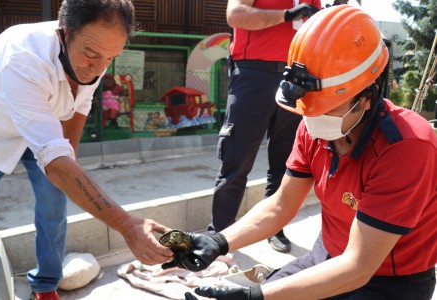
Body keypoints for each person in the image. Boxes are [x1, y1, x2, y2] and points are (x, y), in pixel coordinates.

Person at [163, 5, 437, 300]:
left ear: (367, 97)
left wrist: (257, 296)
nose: (311, 116)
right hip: (328, 254)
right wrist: (218, 241)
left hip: (389, 281)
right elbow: (281, 205)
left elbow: (358, 266)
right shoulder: (314, 125)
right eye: (307, 105)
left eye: (325, 106)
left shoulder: (406, 147)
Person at [0, 1, 172, 299]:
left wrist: (67, 168)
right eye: (91, 54)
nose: (99, 67)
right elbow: (54, 160)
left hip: (47, 129)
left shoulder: (94, 52)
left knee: (54, 203)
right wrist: (126, 224)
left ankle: (45, 284)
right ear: (64, 34)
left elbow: (77, 109)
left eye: (110, 58)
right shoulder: (24, 55)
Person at [208, 0, 321, 253]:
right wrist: (287, 15)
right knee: (236, 159)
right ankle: (219, 233)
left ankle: (272, 228)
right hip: (252, 72)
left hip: (294, 76)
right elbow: (236, 15)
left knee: (286, 163)